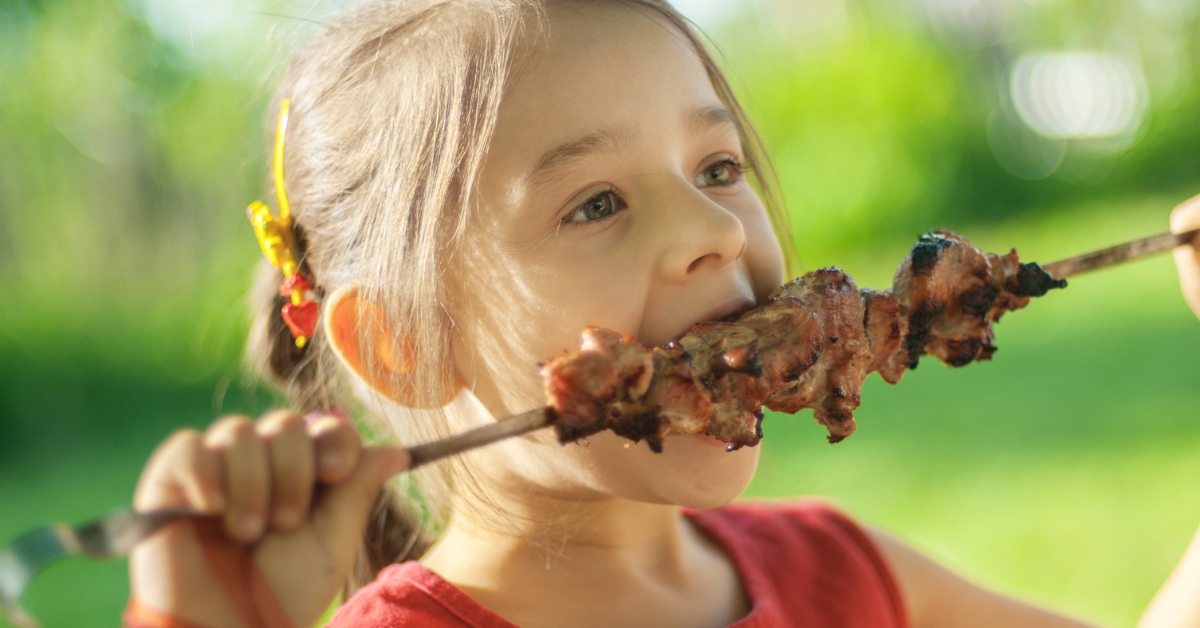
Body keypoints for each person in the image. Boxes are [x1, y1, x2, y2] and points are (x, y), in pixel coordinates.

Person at [124, 1, 1200, 627]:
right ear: (406, 342)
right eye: (596, 202)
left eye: (718, 164)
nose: (717, 230)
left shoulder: (838, 575)